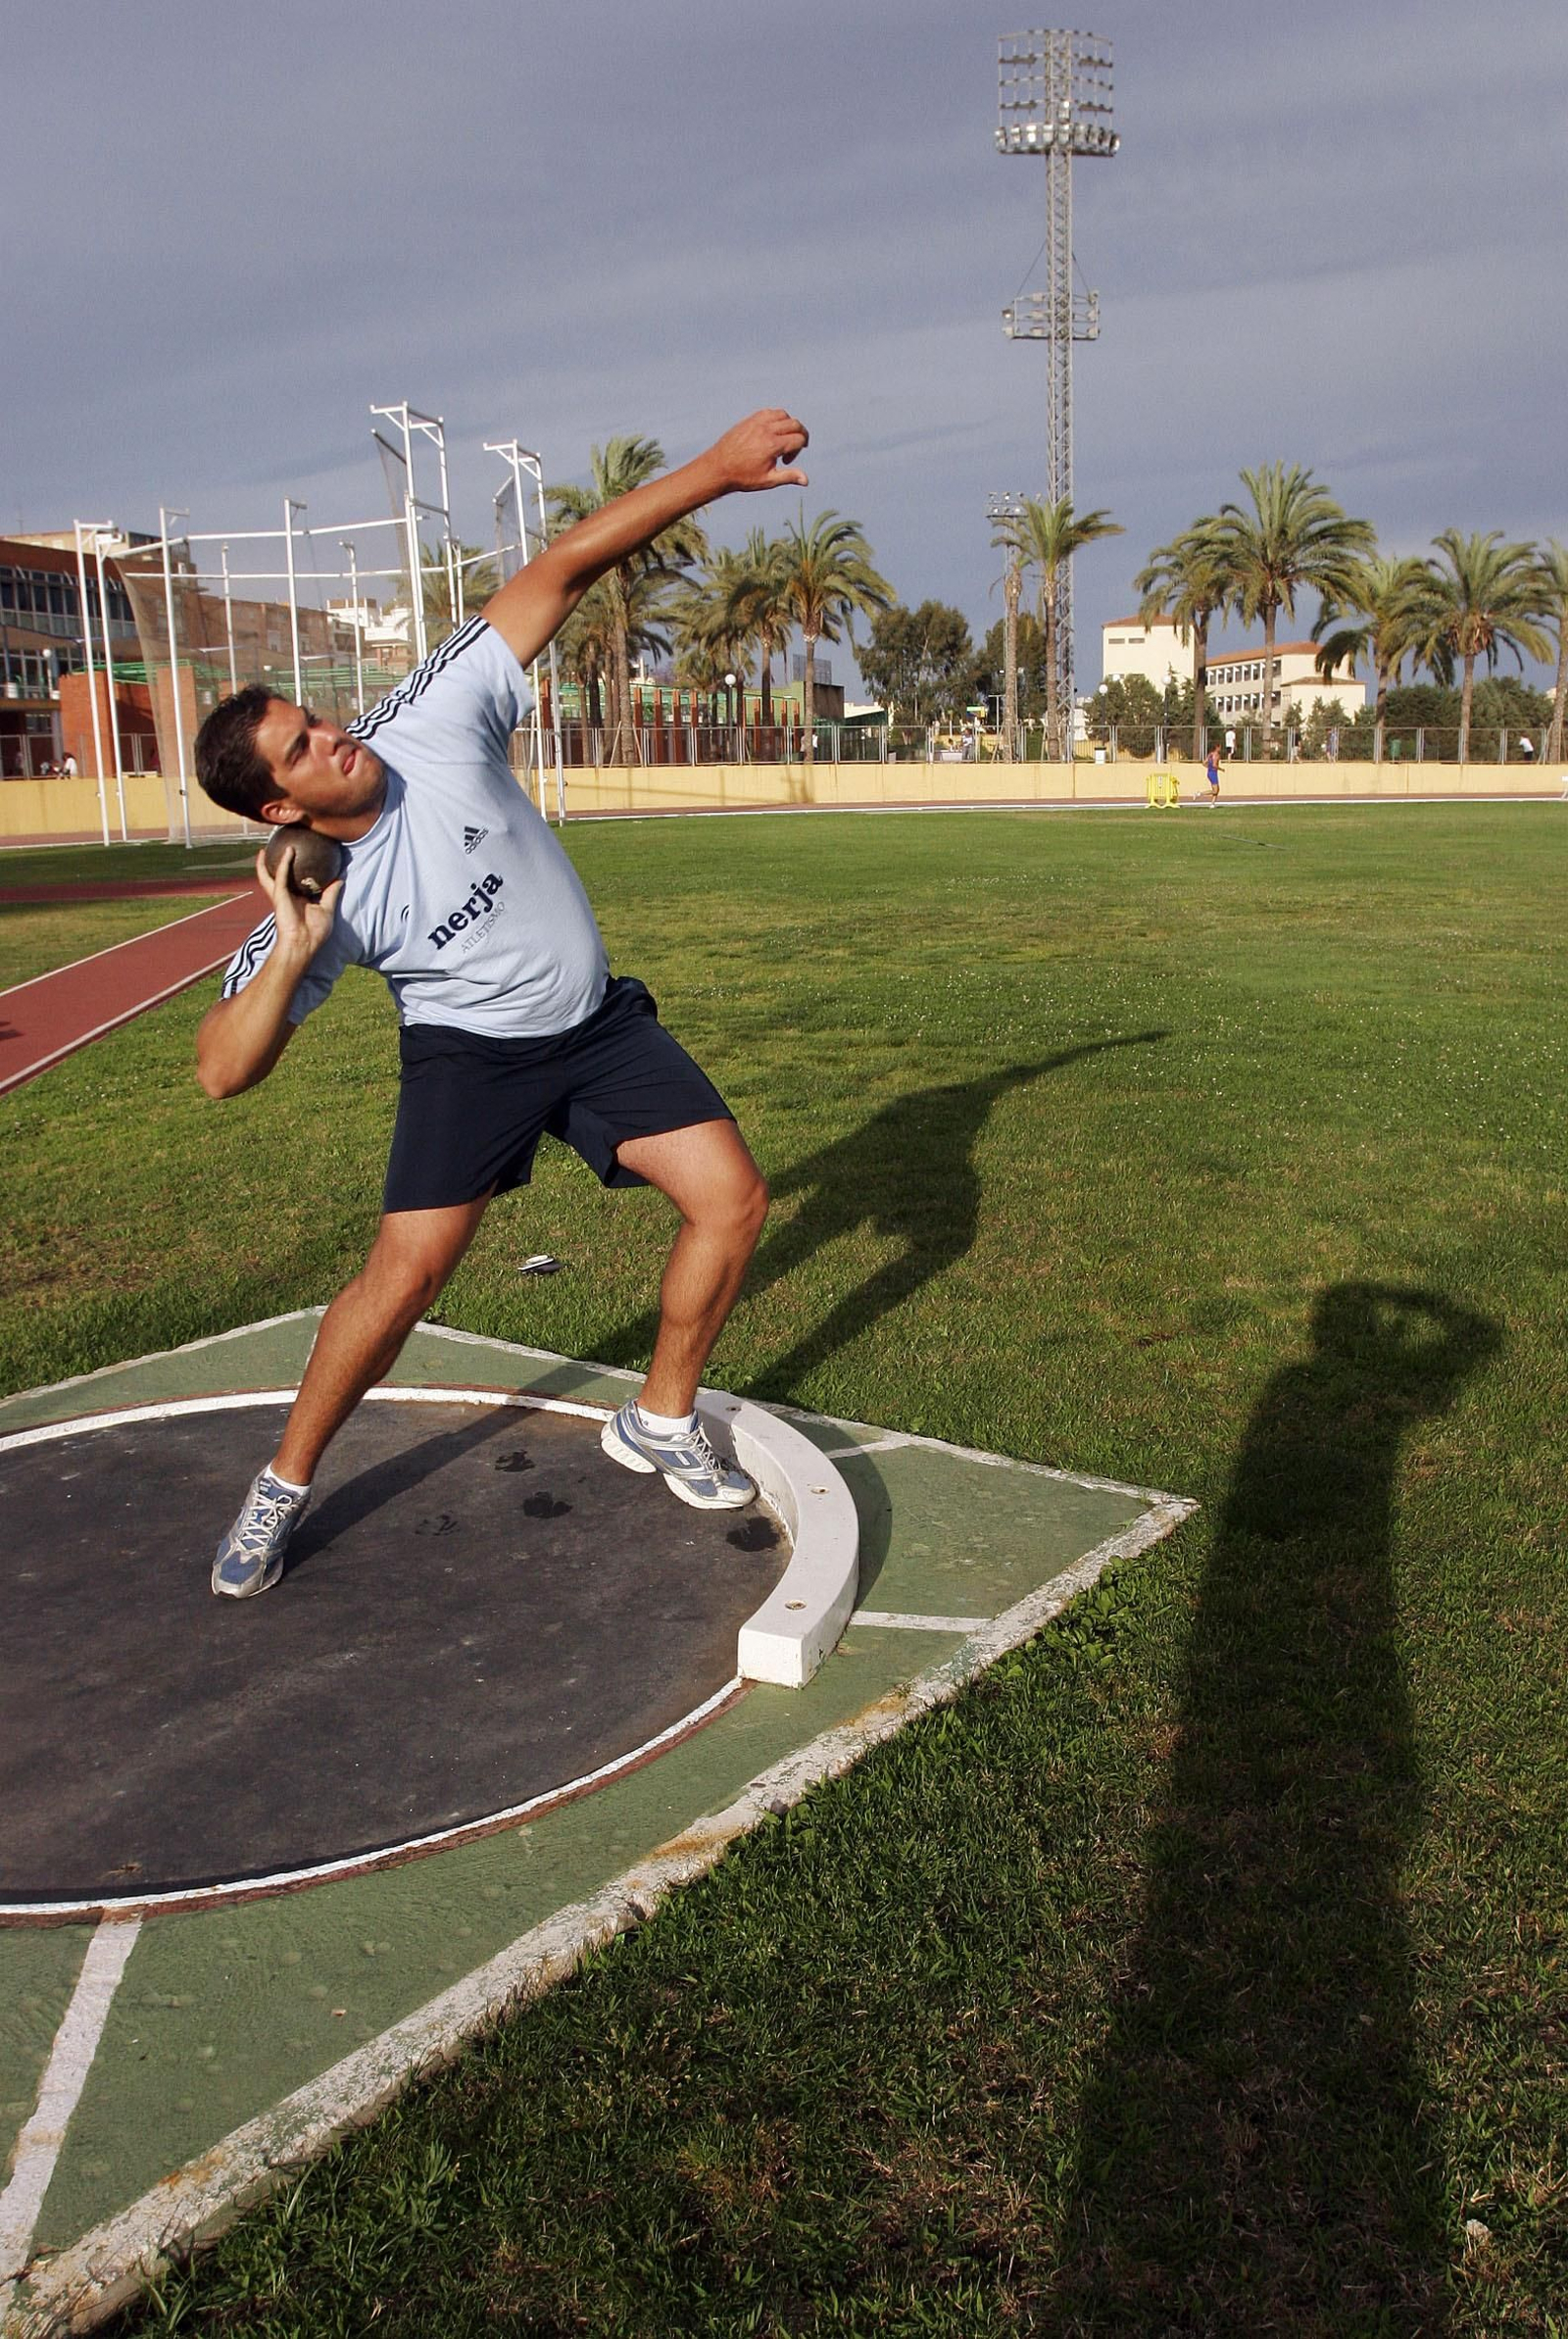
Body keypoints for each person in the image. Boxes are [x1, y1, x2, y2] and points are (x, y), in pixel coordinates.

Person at [192, 408, 808, 1598]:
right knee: (404, 1281)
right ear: (279, 811)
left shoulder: (426, 719)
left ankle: (659, 1418)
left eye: (314, 720)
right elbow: (222, 1070)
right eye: (304, 751)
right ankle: (280, 1485)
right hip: (470, 1064)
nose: (335, 740)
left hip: (596, 1027)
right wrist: (289, 951)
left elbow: (562, 566)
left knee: (731, 1201)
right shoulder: (317, 896)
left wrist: (714, 475)